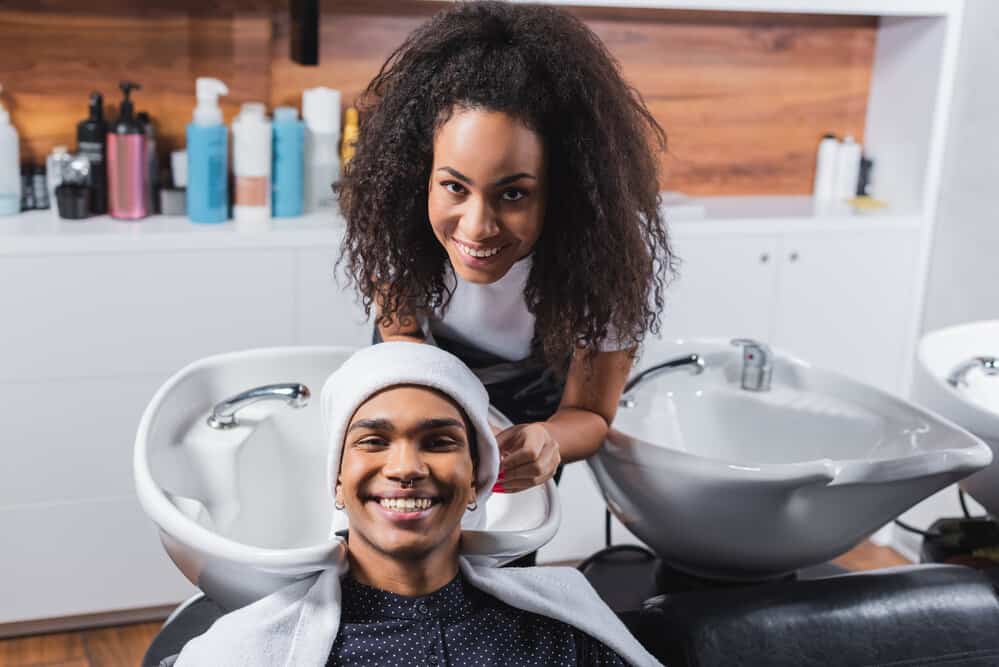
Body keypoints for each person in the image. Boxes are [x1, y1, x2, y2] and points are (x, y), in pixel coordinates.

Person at [338, 1, 674, 503]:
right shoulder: (396, 213)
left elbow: (592, 415)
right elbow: (400, 330)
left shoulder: (609, 255)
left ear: (563, 190)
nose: (477, 227)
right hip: (420, 363)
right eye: (454, 187)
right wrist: (448, 420)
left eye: (513, 193)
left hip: (534, 407)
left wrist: (549, 441)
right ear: (423, 174)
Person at [171, 343, 662, 666]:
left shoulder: (558, 639)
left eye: (439, 442)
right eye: (373, 441)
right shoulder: (245, 653)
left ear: (477, 481)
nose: (406, 466)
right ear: (337, 483)